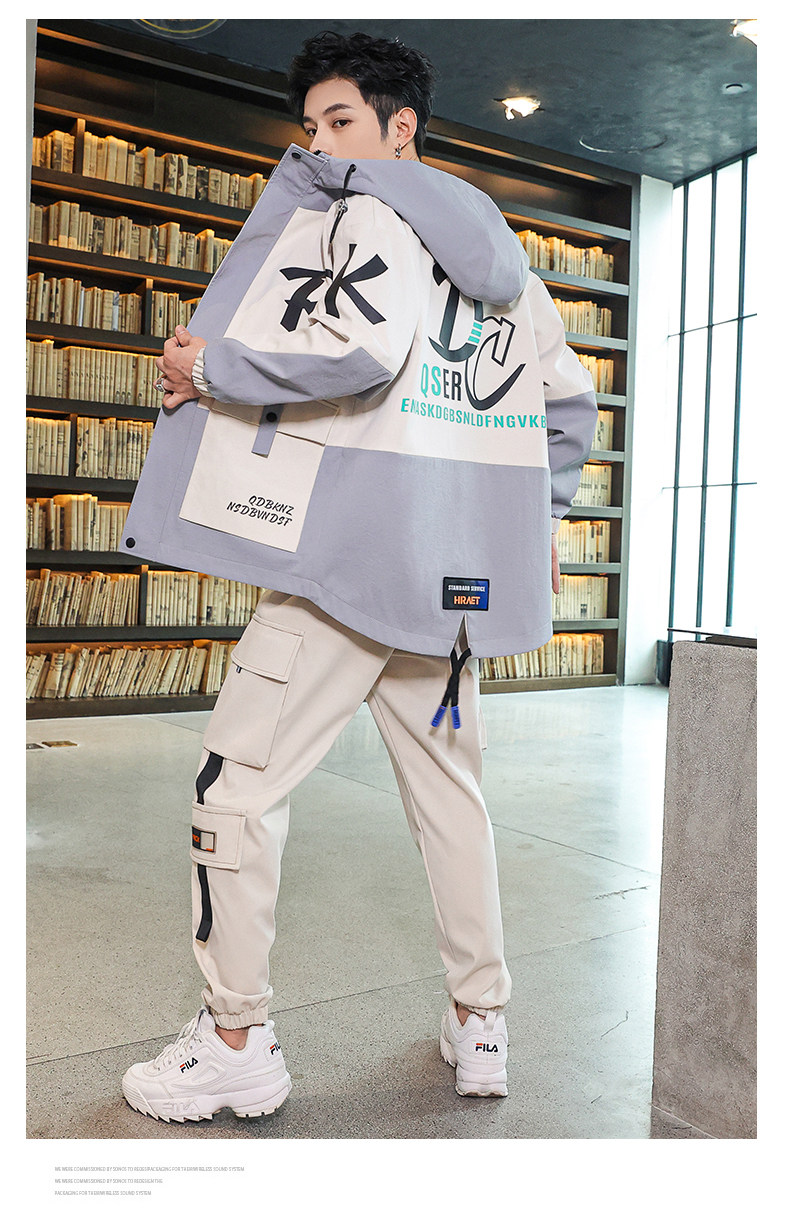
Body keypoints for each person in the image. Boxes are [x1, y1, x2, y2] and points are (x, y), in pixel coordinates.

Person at [120, 29, 597, 1123]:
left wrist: (211, 367)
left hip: (344, 574)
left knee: (234, 790)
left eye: (341, 122)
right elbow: (569, 408)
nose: (321, 146)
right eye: (311, 126)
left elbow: (360, 348)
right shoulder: (511, 270)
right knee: (453, 802)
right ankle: (481, 1022)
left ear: (400, 128)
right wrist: (528, 520)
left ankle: (235, 1038)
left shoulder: (366, 218)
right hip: (450, 588)